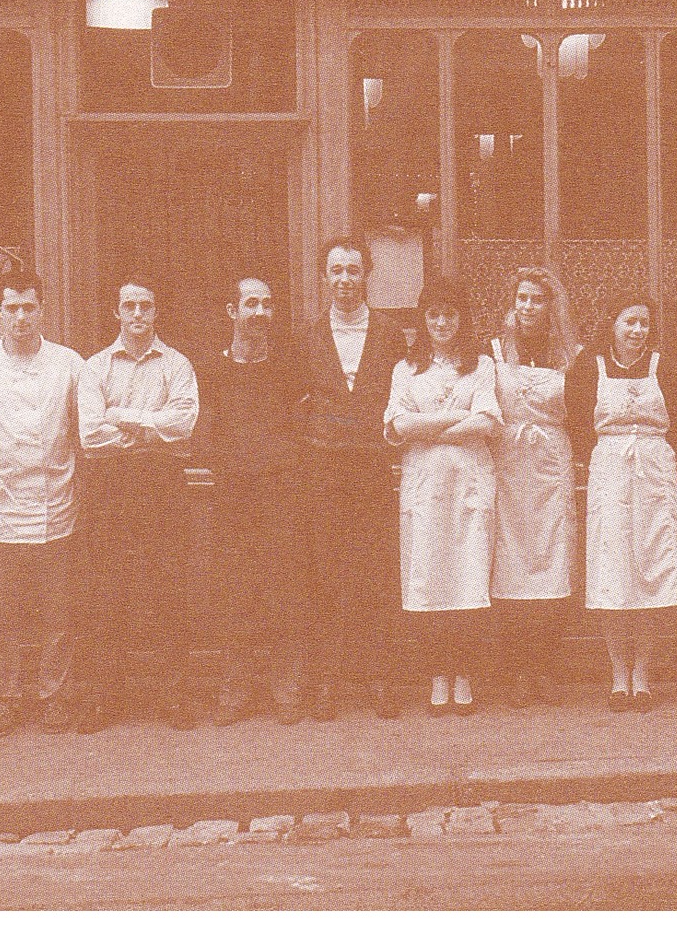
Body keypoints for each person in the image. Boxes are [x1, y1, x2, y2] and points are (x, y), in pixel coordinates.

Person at [0, 270, 86, 737]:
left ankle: (54, 694)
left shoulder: (69, 366)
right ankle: (3, 698)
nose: (21, 317)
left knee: (59, 612)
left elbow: (80, 431)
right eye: (12, 308)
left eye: (29, 307)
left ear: (42, 309)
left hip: (56, 505)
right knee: (0, 614)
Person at [567, 294, 677, 713]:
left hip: (653, 470)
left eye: (644, 323)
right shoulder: (588, 368)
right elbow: (575, 422)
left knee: (649, 568)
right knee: (613, 569)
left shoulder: (665, 368)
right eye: (629, 322)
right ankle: (617, 674)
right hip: (610, 471)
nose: (637, 331)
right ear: (612, 324)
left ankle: (642, 674)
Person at [75, 274, 200, 732]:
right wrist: (151, 429)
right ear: (116, 312)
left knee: (167, 588)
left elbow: (184, 425)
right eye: (129, 306)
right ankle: (105, 698)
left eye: (146, 306)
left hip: (162, 486)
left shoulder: (177, 365)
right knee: (107, 590)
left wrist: (122, 417)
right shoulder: (95, 367)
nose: (137, 316)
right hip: (109, 488)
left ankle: (174, 696)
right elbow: (91, 435)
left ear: (156, 312)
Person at [295, 237, 409, 720]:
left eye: (353, 271)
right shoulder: (306, 336)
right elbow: (294, 403)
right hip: (323, 470)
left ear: (368, 276)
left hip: (371, 467)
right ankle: (328, 682)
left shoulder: (390, 335)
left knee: (375, 573)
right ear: (325, 278)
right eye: (336, 271)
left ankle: (379, 679)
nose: (344, 280)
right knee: (326, 575)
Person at [384, 277, 501, 715]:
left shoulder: (481, 365)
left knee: (467, 581)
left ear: (461, 318)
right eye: (433, 314)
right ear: (423, 318)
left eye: (449, 314)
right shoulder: (406, 370)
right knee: (430, 583)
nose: (441, 323)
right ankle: (438, 676)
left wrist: (428, 423)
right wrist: (456, 418)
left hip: (468, 487)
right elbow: (397, 426)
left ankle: (464, 676)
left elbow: (487, 421)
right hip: (425, 490)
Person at [197, 275, 305, 726]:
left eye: (267, 304)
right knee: (234, 591)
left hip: (279, 492)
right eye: (251, 304)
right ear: (231, 312)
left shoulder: (288, 368)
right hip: (232, 495)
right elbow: (203, 436)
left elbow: (300, 428)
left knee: (283, 587)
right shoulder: (212, 370)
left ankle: (286, 685)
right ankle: (235, 687)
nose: (260, 313)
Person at [487, 266, 582, 708]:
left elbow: (582, 416)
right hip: (508, 462)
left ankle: (545, 664)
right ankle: (516, 669)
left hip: (550, 463)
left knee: (551, 560)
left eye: (536, 300)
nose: (527, 307)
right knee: (509, 560)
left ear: (551, 307)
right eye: (521, 298)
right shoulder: (490, 354)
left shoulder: (572, 357)